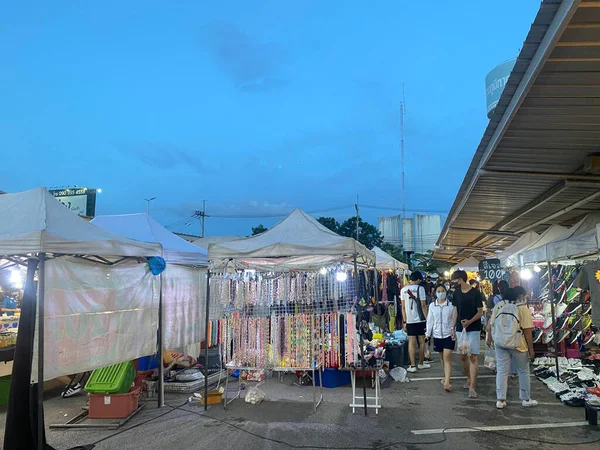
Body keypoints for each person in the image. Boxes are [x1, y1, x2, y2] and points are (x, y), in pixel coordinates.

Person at [487, 286, 538, 409]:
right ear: (519, 296)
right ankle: (526, 399)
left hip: (500, 343)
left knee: (502, 371)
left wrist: (489, 339)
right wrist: (531, 349)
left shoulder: (499, 305)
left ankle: (500, 400)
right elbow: (527, 330)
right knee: (523, 371)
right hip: (518, 344)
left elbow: (490, 325)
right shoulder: (522, 308)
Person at [451, 270, 484, 398]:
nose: (453, 282)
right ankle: (469, 377)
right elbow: (455, 311)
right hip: (460, 328)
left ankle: (472, 387)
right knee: (462, 356)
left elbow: (480, 311)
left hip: (474, 328)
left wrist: (470, 321)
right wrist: (452, 327)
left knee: (473, 357)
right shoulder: (456, 294)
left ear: (460, 279)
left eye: (455, 280)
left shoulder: (476, 293)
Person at [425, 284, 457, 391]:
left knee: (447, 357)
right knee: (442, 358)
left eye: (443, 291)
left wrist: (453, 329)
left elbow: (454, 319)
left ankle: (447, 383)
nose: (441, 293)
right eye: (439, 291)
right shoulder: (432, 306)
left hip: (448, 334)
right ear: (435, 292)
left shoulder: (451, 306)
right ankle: (446, 376)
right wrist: (428, 334)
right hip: (437, 335)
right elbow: (430, 321)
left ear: (446, 292)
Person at [401, 271, 430, 373]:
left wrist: (404, 321)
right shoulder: (420, 288)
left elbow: (403, 307)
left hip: (409, 320)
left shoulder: (403, 290)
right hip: (420, 319)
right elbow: (423, 305)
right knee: (422, 342)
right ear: (418, 279)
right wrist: (428, 319)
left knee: (411, 342)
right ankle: (421, 363)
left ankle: (412, 366)